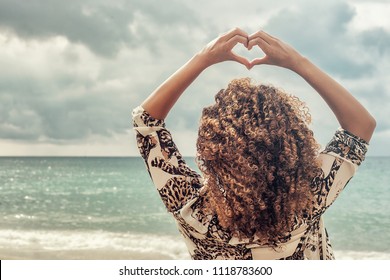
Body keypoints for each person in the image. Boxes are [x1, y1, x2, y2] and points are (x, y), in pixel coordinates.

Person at [132, 28, 376, 259]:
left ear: (211, 151)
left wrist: (203, 58)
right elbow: (360, 126)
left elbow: (146, 121)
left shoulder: (193, 210)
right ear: (292, 147)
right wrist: (297, 62)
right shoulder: (309, 200)